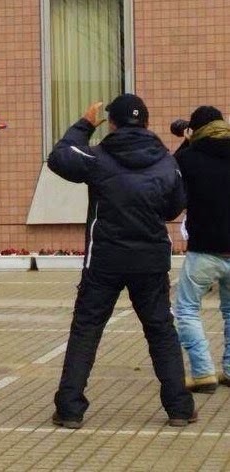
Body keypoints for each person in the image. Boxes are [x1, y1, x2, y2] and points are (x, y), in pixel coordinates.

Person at [47, 94, 196, 428]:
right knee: (161, 331)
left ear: (111, 124)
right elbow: (173, 208)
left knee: (86, 330)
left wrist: (84, 124)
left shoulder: (97, 157)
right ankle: (179, 408)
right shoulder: (166, 162)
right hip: (151, 261)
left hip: (104, 261)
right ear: (146, 122)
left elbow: (59, 158)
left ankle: (70, 409)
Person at [172, 106, 230, 392]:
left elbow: (171, 176)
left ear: (195, 130)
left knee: (186, 310)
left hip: (205, 250)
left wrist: (186, 142)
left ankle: (203, 372)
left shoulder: (189, 157)